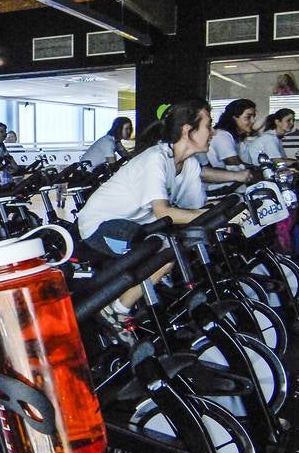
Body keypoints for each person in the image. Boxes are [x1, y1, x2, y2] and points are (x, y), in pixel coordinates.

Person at [76, 100, 246, 330]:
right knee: (165, 250)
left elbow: (192, 209)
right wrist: (217, 215)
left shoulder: (188, 164)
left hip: (137, 224)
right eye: (209, 125)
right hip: (100, 226)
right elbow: (164, 212)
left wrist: (226, 199)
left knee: (176, 245)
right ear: (188, 130)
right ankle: (116, 308)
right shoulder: (156, 159)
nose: (213, 132)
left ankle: (149, 299)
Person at [208, 100, 254, 171]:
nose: (253, 121)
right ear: (234, 117)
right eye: (248, 117)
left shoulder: (239, 139)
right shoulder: (221, 135)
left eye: (254, 116)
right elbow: (235, 163)